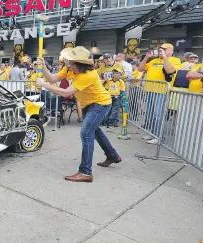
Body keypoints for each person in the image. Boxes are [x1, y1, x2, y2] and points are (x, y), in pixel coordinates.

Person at [35, 46, 121, 182]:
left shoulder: (88, 75)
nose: (66, 63)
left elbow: (66, 92)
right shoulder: (69, 69)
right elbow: (52, 79)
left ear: (78, 64)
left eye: (69, 61)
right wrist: (44, 68)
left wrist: (44, 85)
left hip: (100, 104)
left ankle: (86, 172)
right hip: (88, 104)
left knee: (86, 132)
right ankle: (113, 155)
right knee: (95, 131)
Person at [138, 43, 181, 144]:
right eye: (159, 49)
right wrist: (146, 58)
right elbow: (140, 69)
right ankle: (152, 133)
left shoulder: (175, 60)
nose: (160, 51)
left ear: (170, 51)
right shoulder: (154, 61)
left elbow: (170, 70)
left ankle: (159, 136)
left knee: (158, 115)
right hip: (149, 89)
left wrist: (165, 57)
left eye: (163, 49)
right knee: (150, 114)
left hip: (161, 91)